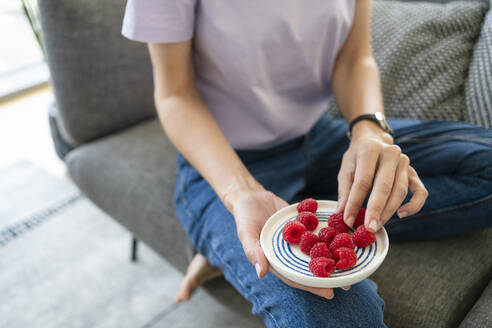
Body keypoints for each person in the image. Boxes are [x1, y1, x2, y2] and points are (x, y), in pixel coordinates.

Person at [122, 0, 492, 326]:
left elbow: (354, 58)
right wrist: (242, 195)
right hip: (226, 163)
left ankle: (302, 219)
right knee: (343, 320)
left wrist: (370, 132)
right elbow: (175, 95)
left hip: (320, 136)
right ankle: (233, 237)